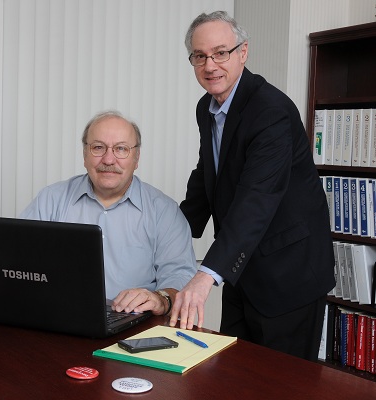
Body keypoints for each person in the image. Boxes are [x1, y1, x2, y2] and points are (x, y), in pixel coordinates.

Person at [169, 11, 335, 361]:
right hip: (242, 270)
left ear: (243, 52)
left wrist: (204, 278)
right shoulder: (207, 107)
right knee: (234, 376)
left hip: (289, 274)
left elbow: (257, 199)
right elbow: (207, 175)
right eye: (200, 56)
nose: (210, 65)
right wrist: (169, 233)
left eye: (220, 52)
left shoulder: (270, 110)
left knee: (282, 386)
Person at [20, 110, 197, 316]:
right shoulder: (50, 199)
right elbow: (18, 260)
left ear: (136, 157)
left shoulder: (165, 211)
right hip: (58, 317)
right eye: (98, 147)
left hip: (134, 325)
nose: (109, 159)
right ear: (84, 154)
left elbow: (180, 275)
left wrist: (161, 298)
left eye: (121, 149)